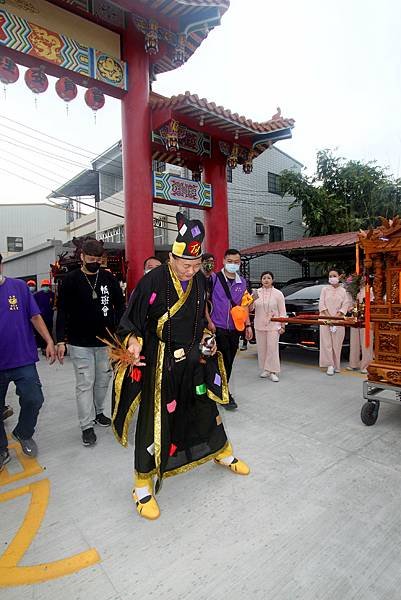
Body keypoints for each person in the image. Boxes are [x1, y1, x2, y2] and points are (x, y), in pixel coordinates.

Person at [112, 213, 249, 520]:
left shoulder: (200, 280)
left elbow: (201, 319)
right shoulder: (152, 281)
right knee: (154, 421)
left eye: (197, 264)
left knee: (204, 407)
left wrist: (206, 337)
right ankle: (142, 484)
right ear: (171, 258)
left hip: (193, 359)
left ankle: (221, 452)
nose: (191, 271)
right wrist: (133, 342)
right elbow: (129, 322)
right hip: (161, 365)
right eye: (185, 265)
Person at [56, 238, 125, 447]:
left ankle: (99, 412)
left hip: (106, 342)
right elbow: (62, 312)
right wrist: (60, 340)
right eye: (91, 258)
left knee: (103, 381)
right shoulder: (70, 280)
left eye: (98, 259)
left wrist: (121, 335)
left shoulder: (108, 278)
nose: (95, 262)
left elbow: (120, 307)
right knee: (85, 383)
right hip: (79, 343)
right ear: (83, 257)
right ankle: (86, 426)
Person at [0, 253, 56, 471]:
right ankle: (1, 448)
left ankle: (24, 433)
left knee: (34, 398)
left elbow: (35, 316)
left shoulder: (19, 288)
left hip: (22, 358)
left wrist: (49, 341)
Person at [207, 249, 253, 410]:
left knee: (228, 362)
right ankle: (220, 392)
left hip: (235, 328)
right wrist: (208, 322)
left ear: (240, 263)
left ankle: (220, 390)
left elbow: (245, 305)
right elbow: (204, 302)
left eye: (236, 262)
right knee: (215, 362)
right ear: (224, 261)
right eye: (230, 261)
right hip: (216, 328)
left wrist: (248, 325)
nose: (233, 264)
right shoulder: (213, 278)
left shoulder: (243, 282)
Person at [253, 271, 287, 382]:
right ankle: (265, 369)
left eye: (268, 278)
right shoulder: (256, 292)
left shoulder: (278, 293)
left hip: (274, 326)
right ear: (261, 280)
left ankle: (273, 371)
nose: (266, 280)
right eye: (264, 278)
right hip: (259, 325)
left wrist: (283, 326)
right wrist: (251, 299)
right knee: (262, 348)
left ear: (272, 280)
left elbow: (282, 311)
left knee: (272, 348)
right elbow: (249, 309)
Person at [319, 269, 349, 375]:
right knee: (327, 343)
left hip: (339, 320)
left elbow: (345, 305)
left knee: (337, 343)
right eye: (330, 276)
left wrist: (336, 318)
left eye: (334, 275)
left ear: (339, 277)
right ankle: (330, 365)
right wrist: (329, 318)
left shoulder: (343, 291)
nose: (332, 278)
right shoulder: (325, 289)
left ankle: (337, 365)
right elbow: (321, 304)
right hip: (325, 319)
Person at [346, 284, 374, 374]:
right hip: (355, 318)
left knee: (366, 343)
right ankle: (353, 364)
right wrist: (351, 308)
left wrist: (364, 308)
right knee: (354, 342)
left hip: (366, 318)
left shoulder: (370, 289)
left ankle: (366, 365)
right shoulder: (351, 290)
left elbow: (373, 302)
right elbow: (348, 303)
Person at [34, 279, 55, 353]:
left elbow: (54, 304)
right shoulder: (37, 295)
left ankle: (50, 346)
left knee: (49, 331)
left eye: (47, 286)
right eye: (44, 285)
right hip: (41, 317)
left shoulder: (52, 294)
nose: (46, 287)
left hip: (49, 317)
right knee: (42, 332)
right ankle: (43, 347)